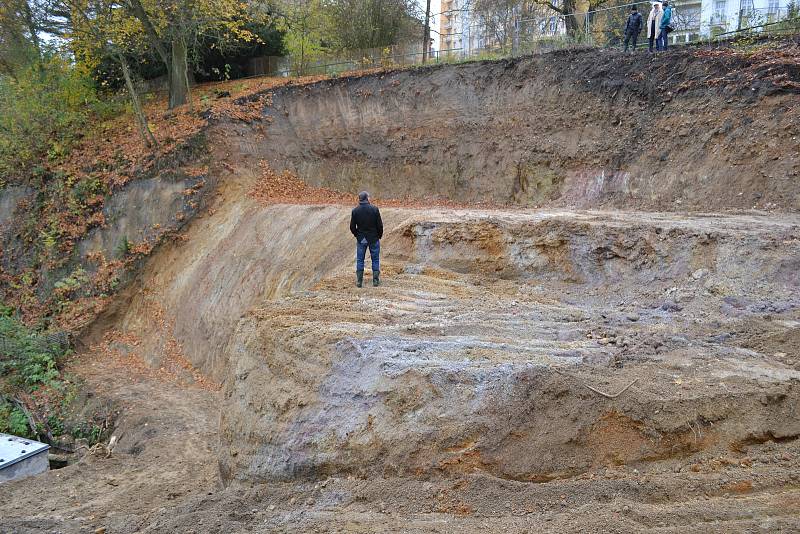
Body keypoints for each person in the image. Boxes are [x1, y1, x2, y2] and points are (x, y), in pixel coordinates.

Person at [350, 191, 383, 287]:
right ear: (367, 198)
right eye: (369, 197)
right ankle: (375, 281)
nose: (370, 198)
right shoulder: (374, 209)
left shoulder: (355, 211)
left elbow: (352, 227)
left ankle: (359, 281)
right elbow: (379, 225)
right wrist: (379, 236)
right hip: (373, 238)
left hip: (361, 239)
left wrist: (358, 235)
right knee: (375, 259)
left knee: (360, 260)